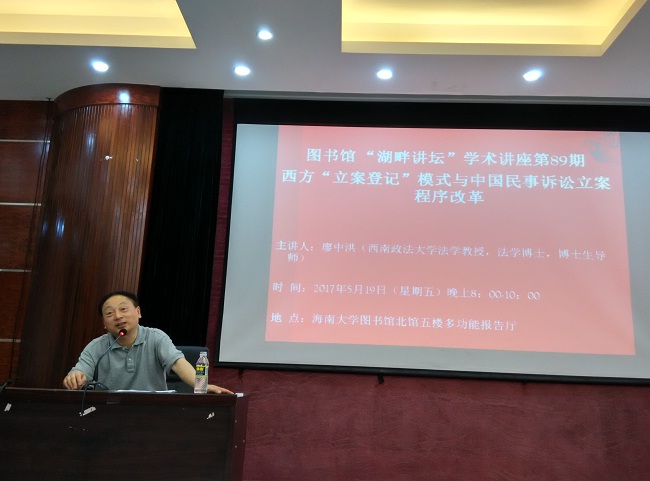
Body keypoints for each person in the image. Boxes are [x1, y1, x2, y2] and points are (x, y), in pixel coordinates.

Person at [63, 290, 232, 394]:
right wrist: (74, 377)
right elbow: (80, 372)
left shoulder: (156, 337)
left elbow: (178, 364)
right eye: (109, 313)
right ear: (104, 324)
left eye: (123, 309)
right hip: (112, 414)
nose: (118, 316)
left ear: (138, 312)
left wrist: (203, 385)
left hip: (154, 413)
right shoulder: (97, 346)